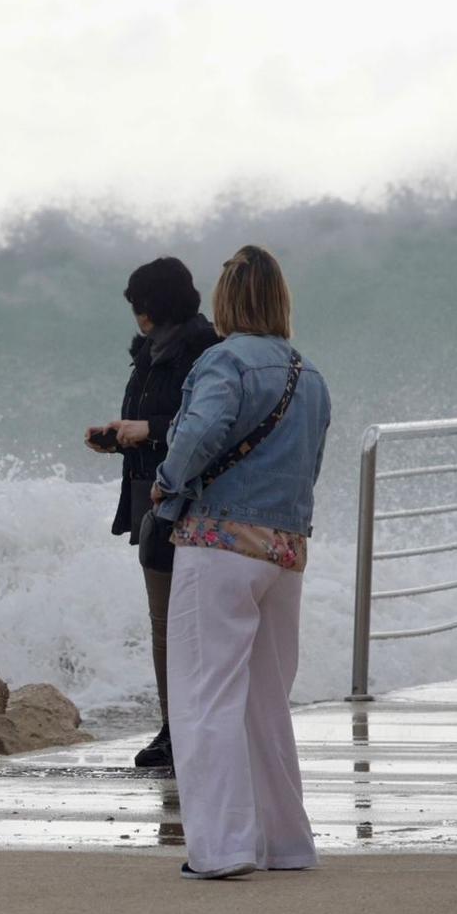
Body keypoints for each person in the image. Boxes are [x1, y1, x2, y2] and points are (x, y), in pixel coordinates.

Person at [153, 245, 331, 879]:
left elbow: (201, 431)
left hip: (219, 546)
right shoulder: (309, 376)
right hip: (284, 552)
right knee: (266, 702)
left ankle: (223, 847)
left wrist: (168, 480)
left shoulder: (221, 360)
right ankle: (286, 844)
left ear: (226, 301)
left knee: (205, 697)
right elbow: (309, 467)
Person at [85, 257, 219, 770]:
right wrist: (118, 438)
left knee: (186, 622)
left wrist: (150, 431)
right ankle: (174, 727)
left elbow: (202, 425)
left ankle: (186, 729)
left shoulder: (204, 351)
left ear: (157, 306)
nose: (137, 318)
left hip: (190, 502)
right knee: (163, 621)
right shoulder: (148, 353)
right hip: (149, 495)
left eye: (142, 307)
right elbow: (155, 422)